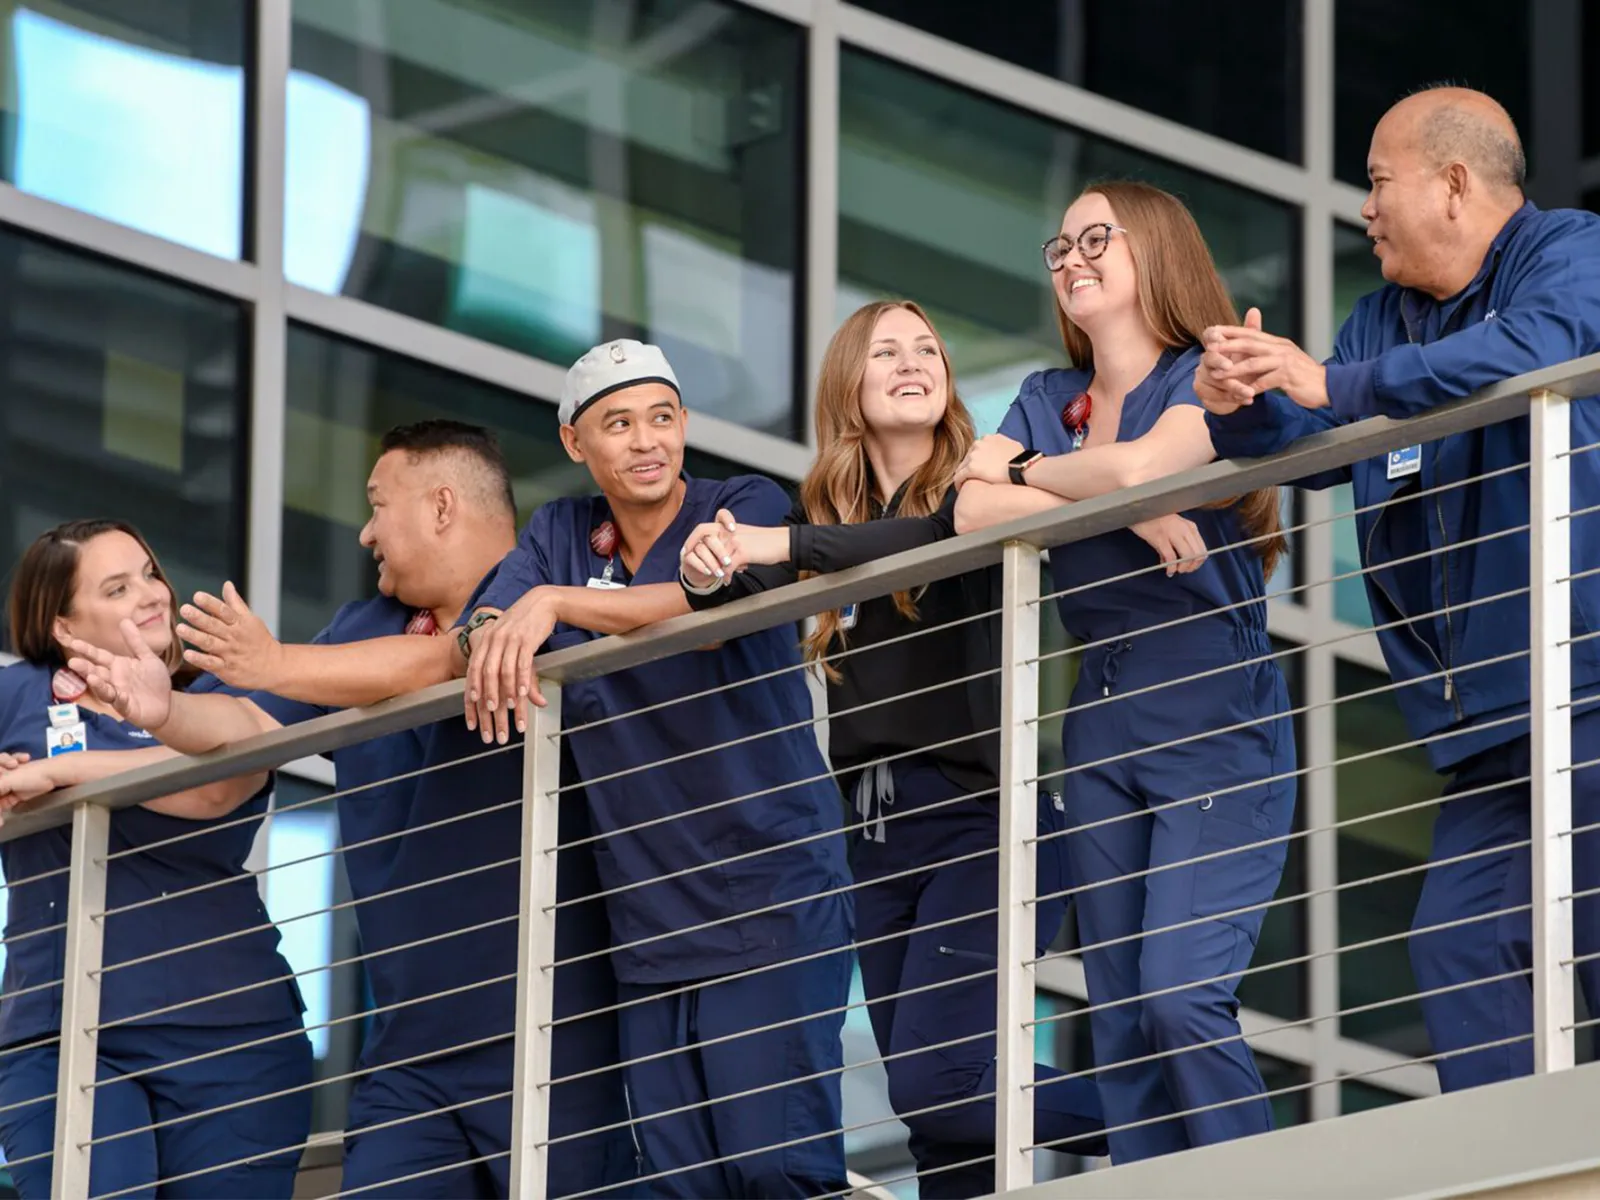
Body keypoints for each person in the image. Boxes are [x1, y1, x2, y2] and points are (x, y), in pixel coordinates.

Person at [69, 423, 639, 1197]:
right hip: (407, 1049)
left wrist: (276, 661)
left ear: (442, 507)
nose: (366, 530)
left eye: (378, 504)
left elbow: (462, 656)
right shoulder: (358, 628)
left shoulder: (555, 595)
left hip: (560, 1033)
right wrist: (164, 710)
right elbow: (248, 728)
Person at [1196, 85, 1600, 1092]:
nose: (1363, 208)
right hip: (1485, 729)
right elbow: (1316, 446)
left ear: (1455, 184)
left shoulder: (1569, 252)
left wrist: (1331, 385)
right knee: (1457, 950)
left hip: (1586, 691)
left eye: (1378, 182)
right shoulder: (1382, 317)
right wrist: (1245, 405)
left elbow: (1535, 349)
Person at [674, 300, 1112, 1196]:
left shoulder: (979, 490)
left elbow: (926, 537)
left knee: (938, 1086)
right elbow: (733, 587)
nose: (913, 362)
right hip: (871, 842)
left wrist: (784, 545)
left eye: (927, 348)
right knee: (936, 1131)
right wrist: (704, 568)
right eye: (886, 351)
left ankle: (1163, 1103)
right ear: (850, 382)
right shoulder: (824, 515)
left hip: (984, 826)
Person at [458, 339, 855, 1198]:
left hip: (767, 892)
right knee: (679, 1184)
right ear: (575, 444)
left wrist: (559, 603)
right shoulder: (560, 532)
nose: (647, 442)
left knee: (774, 1166)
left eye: (663, 419)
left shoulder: (738, 505)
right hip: (650, 920)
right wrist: (494, 624)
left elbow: (713, 614)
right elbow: (486, 621)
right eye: (619, 423)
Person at [951, 180, 1295, 1162]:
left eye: (1095, 238)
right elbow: (966, 509)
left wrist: (1050, 480)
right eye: (1057, 249)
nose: (1071, 260)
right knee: (1122, 1029)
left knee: (1181, 998)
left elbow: (1146, 466)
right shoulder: (1042, 398)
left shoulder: (1207, 374)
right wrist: (1108, 500)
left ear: (1156, 249)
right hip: (1098, 722)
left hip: (1211, 716)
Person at [0, 520, 312, 1198]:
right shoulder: (15, 694)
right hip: (60, 1028)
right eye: (117, 587)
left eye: (149, 573)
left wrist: (65, 772)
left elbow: (213, 787)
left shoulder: (226, 687)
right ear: (63, 626)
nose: (152, 595)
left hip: (231, 1036)